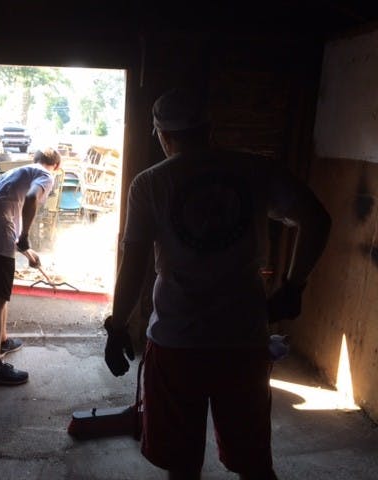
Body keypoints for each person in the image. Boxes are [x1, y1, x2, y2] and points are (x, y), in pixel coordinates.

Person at [104, 87, 331, 480]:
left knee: (182, 464)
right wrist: (294, 287)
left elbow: (134, 263)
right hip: (242, 341)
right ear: (210, 129)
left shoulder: (149, 184)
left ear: (163, 136)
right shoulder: (256, 170)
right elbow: (317, 219)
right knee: (255, 464)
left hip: (177, 343)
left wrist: (118, 326)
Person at [0, 148, 61, 386]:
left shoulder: (19, 172)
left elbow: (8, 212)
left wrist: (26, 250)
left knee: (1, 291)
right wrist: (27, 236)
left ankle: (2, 341)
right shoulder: (46, 175)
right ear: (57, 166)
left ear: (36, 159)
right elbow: (31, 198)